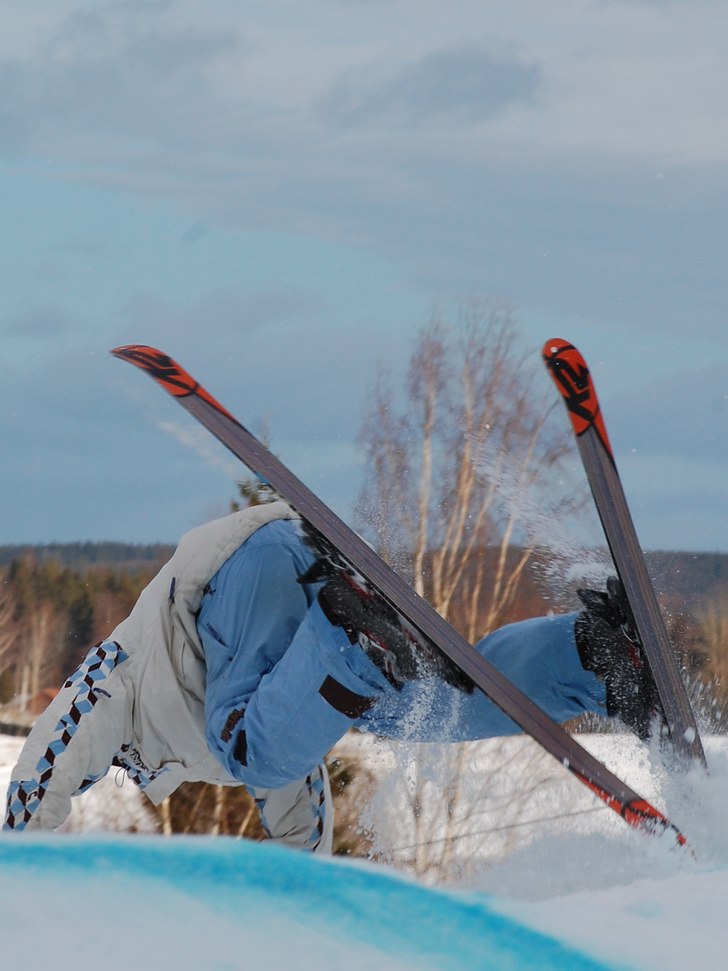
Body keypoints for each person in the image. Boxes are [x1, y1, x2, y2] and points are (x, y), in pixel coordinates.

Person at [3, 500, 655, 851]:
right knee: (419, 707)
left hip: (242, 577)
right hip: (304, 585)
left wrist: (19, 883)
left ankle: (352, 635)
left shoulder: (111, 684)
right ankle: (592, 658)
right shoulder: (241, 734)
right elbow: (299, 820)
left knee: (256, 748)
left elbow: (44, 763)